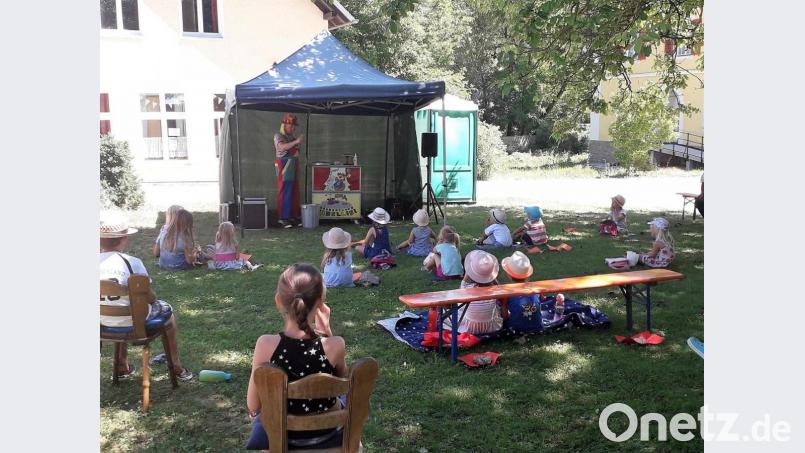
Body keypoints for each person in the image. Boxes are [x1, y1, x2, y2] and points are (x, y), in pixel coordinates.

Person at [246, 264, 346, 448]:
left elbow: (253, 405)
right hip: (328, 438)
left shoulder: (265, 345)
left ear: (278, 301)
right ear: (321, 303)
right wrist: (327, 333)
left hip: (282, 440)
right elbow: (342, 387)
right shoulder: (335, 345)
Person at [100, 215, 193, 381]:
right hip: (134, 325)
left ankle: (122, 364)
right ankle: (176, 366)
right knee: (168, 315)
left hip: (101, 324)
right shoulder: (132, 263)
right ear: (124, 239)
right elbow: (150, 298)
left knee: (122, 310)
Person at [443, 250, 504, 334]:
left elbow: (466, 277)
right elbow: (497, 285)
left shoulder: (466, 288)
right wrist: (490, 273)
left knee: (446, 313)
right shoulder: (495, 289)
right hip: (491, 326)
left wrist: (471, 267)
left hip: (470, 328)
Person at [500, 251, 543, 334]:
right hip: (538, 326)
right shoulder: (535, 287)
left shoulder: (507, 292)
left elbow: (504, 316)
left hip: (516, 329)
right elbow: (541, 300)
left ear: (508, 275)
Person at [273, 113, 304, 228]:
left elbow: (296, 151)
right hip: (283, 164)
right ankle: (283, 217)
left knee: (294, 190)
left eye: (294, 126)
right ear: (284, 125)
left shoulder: (292, 137)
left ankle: (293, 215)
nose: (293, 128)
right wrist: (296, 143)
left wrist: (297, 148)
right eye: (290, 125)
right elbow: (281, 147)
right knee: (284, 190)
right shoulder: (278, 136)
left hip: (292, 164)